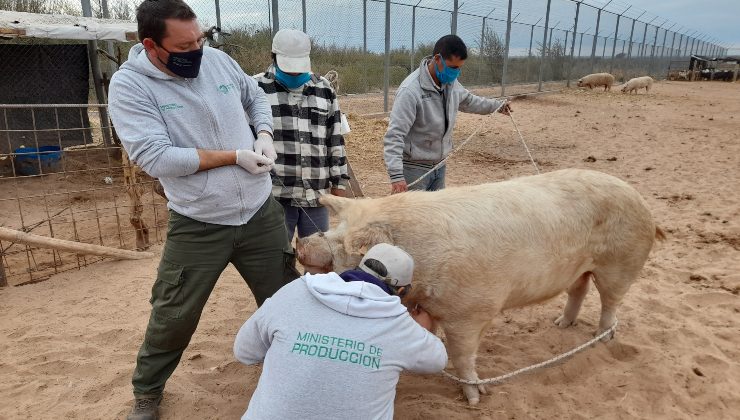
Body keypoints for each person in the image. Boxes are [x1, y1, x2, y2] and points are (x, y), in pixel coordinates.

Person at [107, 1, 300, 419]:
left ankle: (293, 368)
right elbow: (156, 158)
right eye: (183, 45)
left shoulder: (216, 60)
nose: (196, 50)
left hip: (258, 211)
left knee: (285, 299)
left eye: (199, 39)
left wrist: (263, 133)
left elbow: (255, 99)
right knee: (173, 313)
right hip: (199, 220)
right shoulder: (130, 87)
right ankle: (148, 391)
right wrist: (233, 155)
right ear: (151, 45)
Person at [234, 243, 447, 420]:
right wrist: (423, 330)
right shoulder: (398, 323)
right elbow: (437, 361)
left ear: (359, 268)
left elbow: (244, 352)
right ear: (401, 291)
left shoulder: (296, 290)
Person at [383, 34, 513, 194]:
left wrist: (497, 106)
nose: (456, 73)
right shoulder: (410, 91)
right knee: (410, 217)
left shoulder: (451, 83)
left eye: (459, 68)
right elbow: (395, 135)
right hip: (414, 168)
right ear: (437, 59)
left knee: (436, 216)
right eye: (453, 67)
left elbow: (469, 101)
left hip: (439, 165)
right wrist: (396, 176)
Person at [254, 29, 349, 242]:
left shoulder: (324, 89)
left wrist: (339, 184)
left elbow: (335, 140)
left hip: (316, 195)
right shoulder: (256, 88)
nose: (295, 75)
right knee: (277, 259)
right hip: (274, 197)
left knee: (320, 259)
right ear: (274, 58)